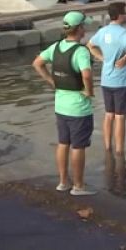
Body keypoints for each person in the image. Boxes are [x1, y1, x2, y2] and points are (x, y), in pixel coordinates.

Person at [32, 11, 97, 196]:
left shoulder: (56, 47)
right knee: (78, 146)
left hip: (60, 105)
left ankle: (62, 182)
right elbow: (86, 75)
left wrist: (51, 81)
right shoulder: (81, 51)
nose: (85, 29)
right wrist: (89, 91)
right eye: (84, 26)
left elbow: (37, 63)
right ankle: (78, 186)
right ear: (79, 28)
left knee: (63, 143)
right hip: (78, 108)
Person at [87, 3, 126, 155]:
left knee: (109, 115)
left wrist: (101, 58)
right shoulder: (123, 33)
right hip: (120, 81)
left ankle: (107, 148)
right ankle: (119, 151)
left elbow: (90, 45)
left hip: (106, 80)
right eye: (125, 13)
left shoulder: (102, 31)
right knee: (120, 117)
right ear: (120, 15)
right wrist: (125, 58)